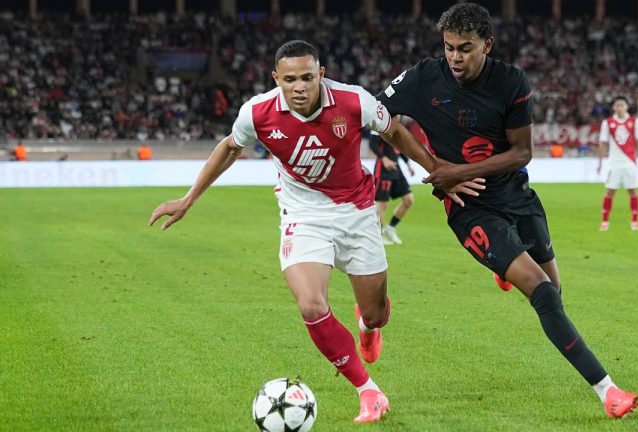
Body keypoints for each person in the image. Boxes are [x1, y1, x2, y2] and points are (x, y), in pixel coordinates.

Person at [149, 40, 477, 424]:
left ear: (320, 74)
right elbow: (228, 148)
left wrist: (437, 169)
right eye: (290, 79)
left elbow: (396, 134)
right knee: (311, 304)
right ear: (277, 79)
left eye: (307, 77)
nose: (299, 86)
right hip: (303, 215)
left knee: (376, 314)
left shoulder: (355, 102)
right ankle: (368, 391)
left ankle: (366, 325)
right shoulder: (257, 113)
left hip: (357, 212)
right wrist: (190, 198)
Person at [377, 3, 638, 419]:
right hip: (469, 209)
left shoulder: (511, 82)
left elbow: (522, 152)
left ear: (487, 44)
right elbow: (380, 117)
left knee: (556, 293)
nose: (455, 57)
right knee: (542, 292)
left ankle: (507, 266)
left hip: (517, 198)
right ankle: (608, 391)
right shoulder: (423, 76)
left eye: (465, 48)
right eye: (449, 47)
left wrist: (458, 169)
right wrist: (436, 170)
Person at [596, 96, 638, 231]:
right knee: (609, 191)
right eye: (617, 105)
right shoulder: (607, 123)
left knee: (633, 191)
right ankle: (605, 221)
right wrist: (600, 162)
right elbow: (602, 143)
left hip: (630, 162)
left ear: (626, 106)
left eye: (622, 105)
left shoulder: (635, 122)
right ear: (614, 107)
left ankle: (635, 221)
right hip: (614, 163)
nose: (620, 108)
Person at [369, 125, 416, 245]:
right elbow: (372, 144)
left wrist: (408, 164)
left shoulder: (397, 125)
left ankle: (390, 228)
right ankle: (377, 235)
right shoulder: (378, 124)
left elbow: (398, 148)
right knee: (382, 204)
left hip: (396, 169)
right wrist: (384, 159)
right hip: (383, 169)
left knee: (408, 200)